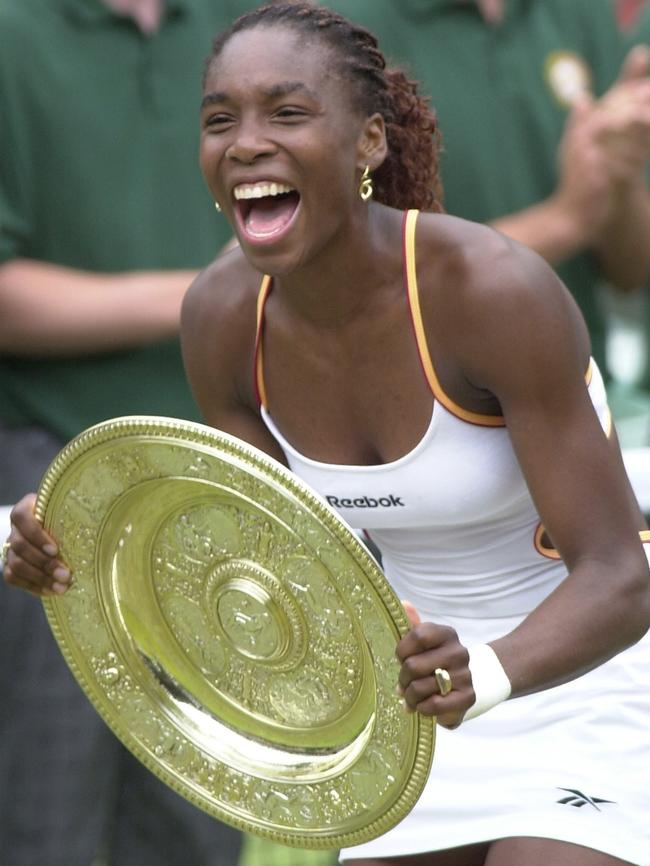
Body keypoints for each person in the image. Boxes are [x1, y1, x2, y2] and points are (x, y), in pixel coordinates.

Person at [5, 3, 650, 865]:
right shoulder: (223, 319)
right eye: (219, 119)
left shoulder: (494, 292)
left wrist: (485, 672)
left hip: (584, 675)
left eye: (288, 112)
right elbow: (266, 563)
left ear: (370, 143)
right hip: (421, 700)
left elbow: (620, 577)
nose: (245, 142)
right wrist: (72, 538)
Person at [0, 1, 248, 864]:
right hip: (45, 475)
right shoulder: (15, 33)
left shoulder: (236, 29)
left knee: (202, 813)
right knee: (46, 813)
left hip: (213, 473)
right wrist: (208, 293)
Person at [318, 0, 650, 388]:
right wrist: (564, 220)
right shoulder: (340, 29)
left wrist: (617, 179)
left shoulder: (579, 11)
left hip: (581, 390)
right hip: (427, 406)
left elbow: (631, 271)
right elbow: (363, 292)